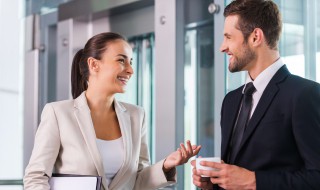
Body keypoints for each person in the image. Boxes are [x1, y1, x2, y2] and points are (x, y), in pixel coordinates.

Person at [24, 32, 201, 190]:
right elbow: (35, 177)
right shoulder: (58, 113)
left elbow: (137, 181)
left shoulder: (136, 116)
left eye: (131, 62)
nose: (130, 70)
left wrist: (166, 166)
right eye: (121, 60)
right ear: (94, 65)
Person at [191, 0, 320, 189]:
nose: (222, 47)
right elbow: (235, 176)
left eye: (228, 37)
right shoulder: (231, 101)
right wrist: (215, 183)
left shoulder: (304, 94)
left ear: (255, 37)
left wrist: (254, 181)